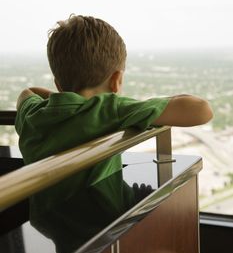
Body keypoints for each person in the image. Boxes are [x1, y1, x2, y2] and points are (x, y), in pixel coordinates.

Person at [15, 15, 213, 170]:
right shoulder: (110, 110)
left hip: (44, 222)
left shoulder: (34, 114)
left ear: (58, 84)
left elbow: (28, 92)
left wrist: (65, 100)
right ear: (115, 81)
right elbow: (203, 111)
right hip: (107, 220)